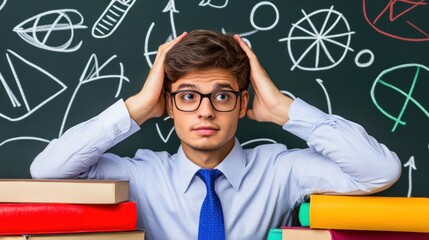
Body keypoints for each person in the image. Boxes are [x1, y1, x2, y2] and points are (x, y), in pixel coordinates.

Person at [31, 30, 401, 240]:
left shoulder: (280, 170)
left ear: (242, 104)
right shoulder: (141, 176)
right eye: (188, 97)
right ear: (169, 104)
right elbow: (47, 171)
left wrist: (285, 109)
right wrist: (139, 106)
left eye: (222, 96)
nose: (206, 111)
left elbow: (378, 171)